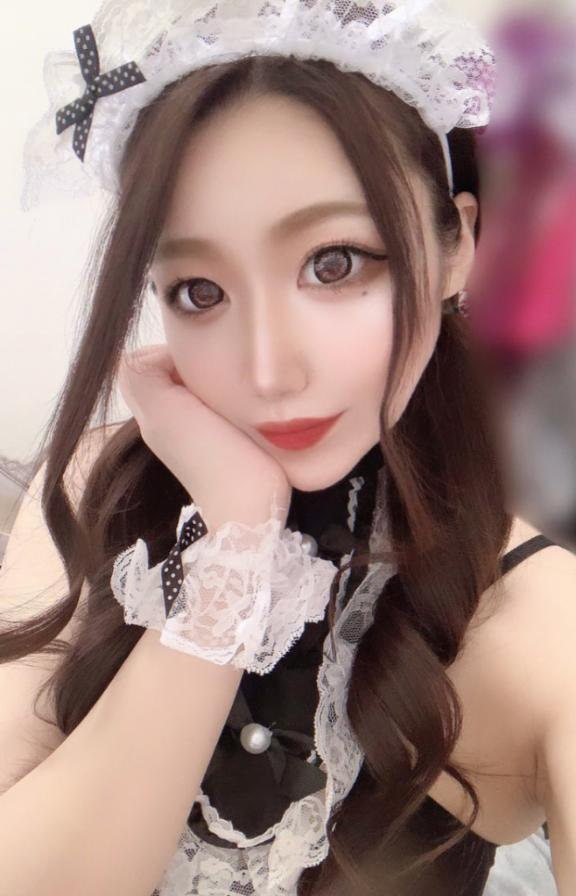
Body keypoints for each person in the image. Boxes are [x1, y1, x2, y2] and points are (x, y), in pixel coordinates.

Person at [1, 2, 575, 895]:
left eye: (334, 263)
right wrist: (234, 541)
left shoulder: (543, 630)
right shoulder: (92, 481)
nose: (268, 372)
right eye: (199, 290)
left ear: (456, 244)